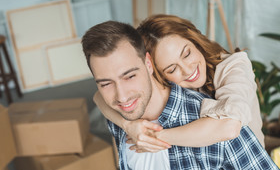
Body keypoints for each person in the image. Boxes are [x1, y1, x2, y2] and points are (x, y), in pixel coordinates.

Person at [82, 20, 280, 170]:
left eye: (129, 76)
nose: (121, 96)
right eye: (106, 83)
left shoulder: (215, 114)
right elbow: (100, 98)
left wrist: (157, 136)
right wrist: (128, 125)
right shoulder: (123, 112)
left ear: (148, 65)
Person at [93, 14, 264, 155]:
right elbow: (98, 97)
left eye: (187, 54)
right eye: (171, 68)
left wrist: (152, 138)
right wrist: (128, 126)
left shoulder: (234, 67)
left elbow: (229, 127)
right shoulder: (169, 90)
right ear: (154, 70)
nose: (187, 70)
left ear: (195, 40)